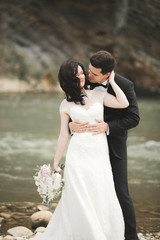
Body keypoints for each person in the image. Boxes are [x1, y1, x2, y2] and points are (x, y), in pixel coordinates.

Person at [31, 59, 129, 240]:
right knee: (79, 194)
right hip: (77, 154)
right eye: (77, 75)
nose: (82, 77)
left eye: (82, 72)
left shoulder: (98, 93)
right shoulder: (65, 105)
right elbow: (63, 135)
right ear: (69, 79)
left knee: (100, 190)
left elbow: (123, 103)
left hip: (99, 153)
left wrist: (113, 81)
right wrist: (55, 161)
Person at [69, 50, 140, 240]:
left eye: (94, 73)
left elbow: (133, 118)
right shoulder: (86, 81)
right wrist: (71, 126)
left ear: (107, 74)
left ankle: (131, 236)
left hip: (114, 144)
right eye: (89, 70)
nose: (89, 75)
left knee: (120, 190)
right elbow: (73, 109)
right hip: (88, 146)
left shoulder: (125, 85)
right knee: (89, 187)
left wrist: (108, 126)